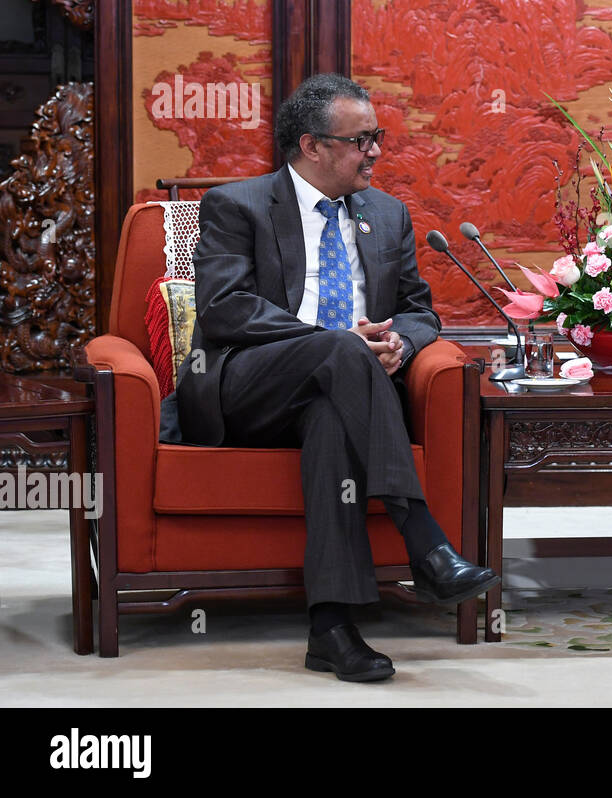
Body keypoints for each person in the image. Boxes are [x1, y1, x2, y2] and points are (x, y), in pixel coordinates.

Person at [176, 73, 499, 683]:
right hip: (249, 386)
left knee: (331, 417)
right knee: (342, 351)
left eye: (377, 137)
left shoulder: (387, 213)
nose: (375, 150)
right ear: (312, 146)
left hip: (339, 393)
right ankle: (424, 540)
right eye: (362, 140)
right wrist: (336, 343)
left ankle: (331, 628)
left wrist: (402, 340)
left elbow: (419, 309)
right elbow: (224, 308)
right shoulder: (236, 204)